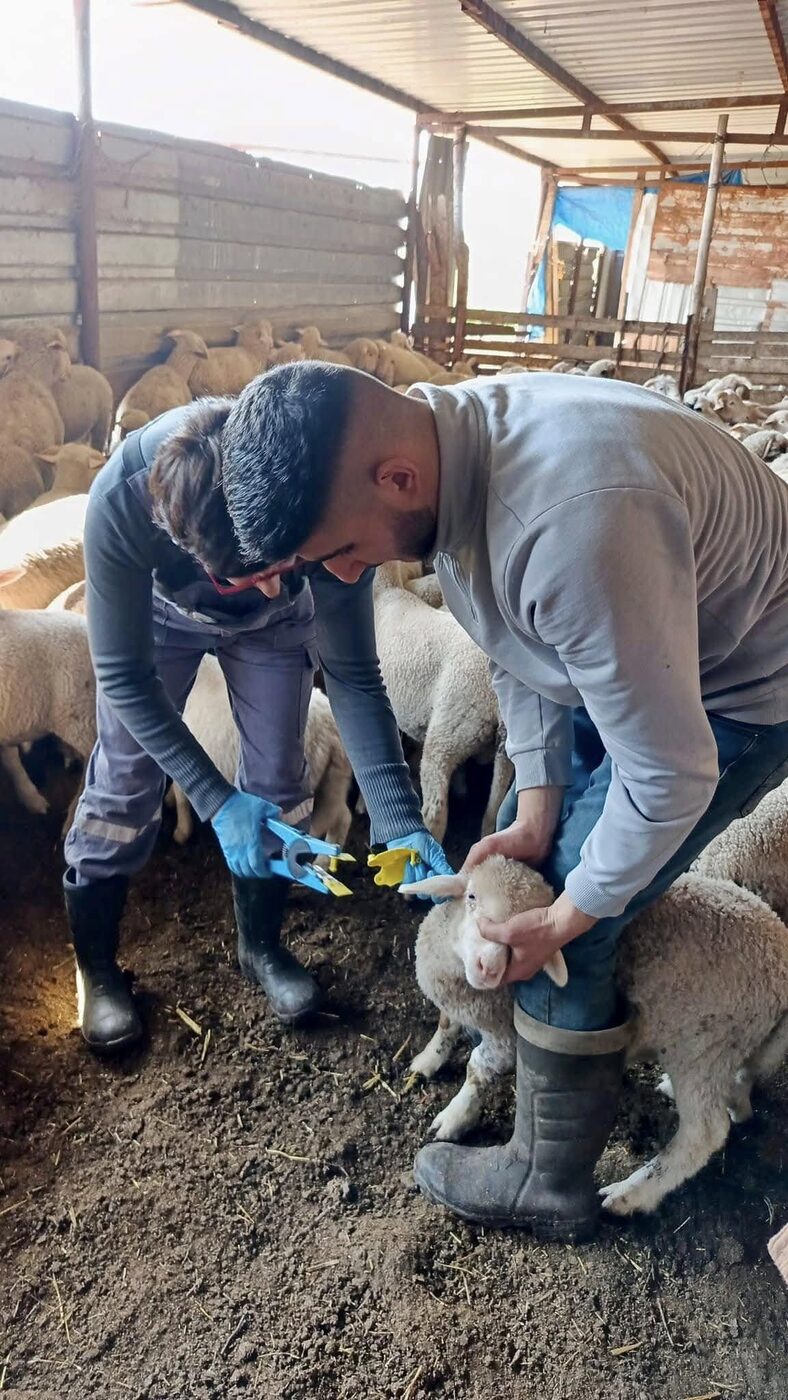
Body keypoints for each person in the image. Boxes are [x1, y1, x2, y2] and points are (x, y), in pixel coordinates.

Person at [209, 360, 788, 1242]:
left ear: (394, 478)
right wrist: (540, 796)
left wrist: (569, 916)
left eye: (338, 551)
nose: (349, 571)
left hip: (743, 684)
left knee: (571, 907)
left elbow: (670, 768)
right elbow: (515, 640)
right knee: (552, 856)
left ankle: (546, 1178)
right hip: (663, 637)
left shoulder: (569, 524)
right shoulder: (451, 450)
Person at [64, 390, 451, 1054]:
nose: (272, 583)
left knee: (280, 771)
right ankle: (97, 970)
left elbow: (354, 673)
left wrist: (397, 814)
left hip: (274, 631)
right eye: (252, 577)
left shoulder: (315, 495)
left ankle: (261, 947)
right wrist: (214, 799)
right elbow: (126, 679)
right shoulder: (121, 502)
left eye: (280, 566)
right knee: (125, 780)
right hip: (160, 614)